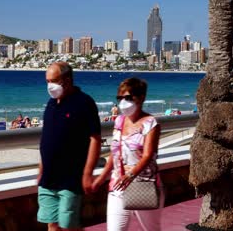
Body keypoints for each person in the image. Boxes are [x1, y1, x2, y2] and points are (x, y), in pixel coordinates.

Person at [92, 77, 164, 231]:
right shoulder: (119, 121)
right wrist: (101, 177)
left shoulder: (150, 123)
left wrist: (130, 175)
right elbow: (114, 153)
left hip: (144, 185)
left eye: (128, 97)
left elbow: (148, 155)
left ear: (141, 97)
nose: (123, 102)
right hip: (117, 186)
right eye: (120, 98)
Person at [37, 62, 102, 230]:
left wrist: (88, 173)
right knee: (52, 224)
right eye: (47, 81)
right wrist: (41, 170)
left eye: (54, 80)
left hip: (71, 178)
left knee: (68, 226)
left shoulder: (84, 103)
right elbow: (47, 139)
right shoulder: (51, 104)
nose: (50, 85)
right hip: (48, 178)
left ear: (67, 80)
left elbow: (95, 139)